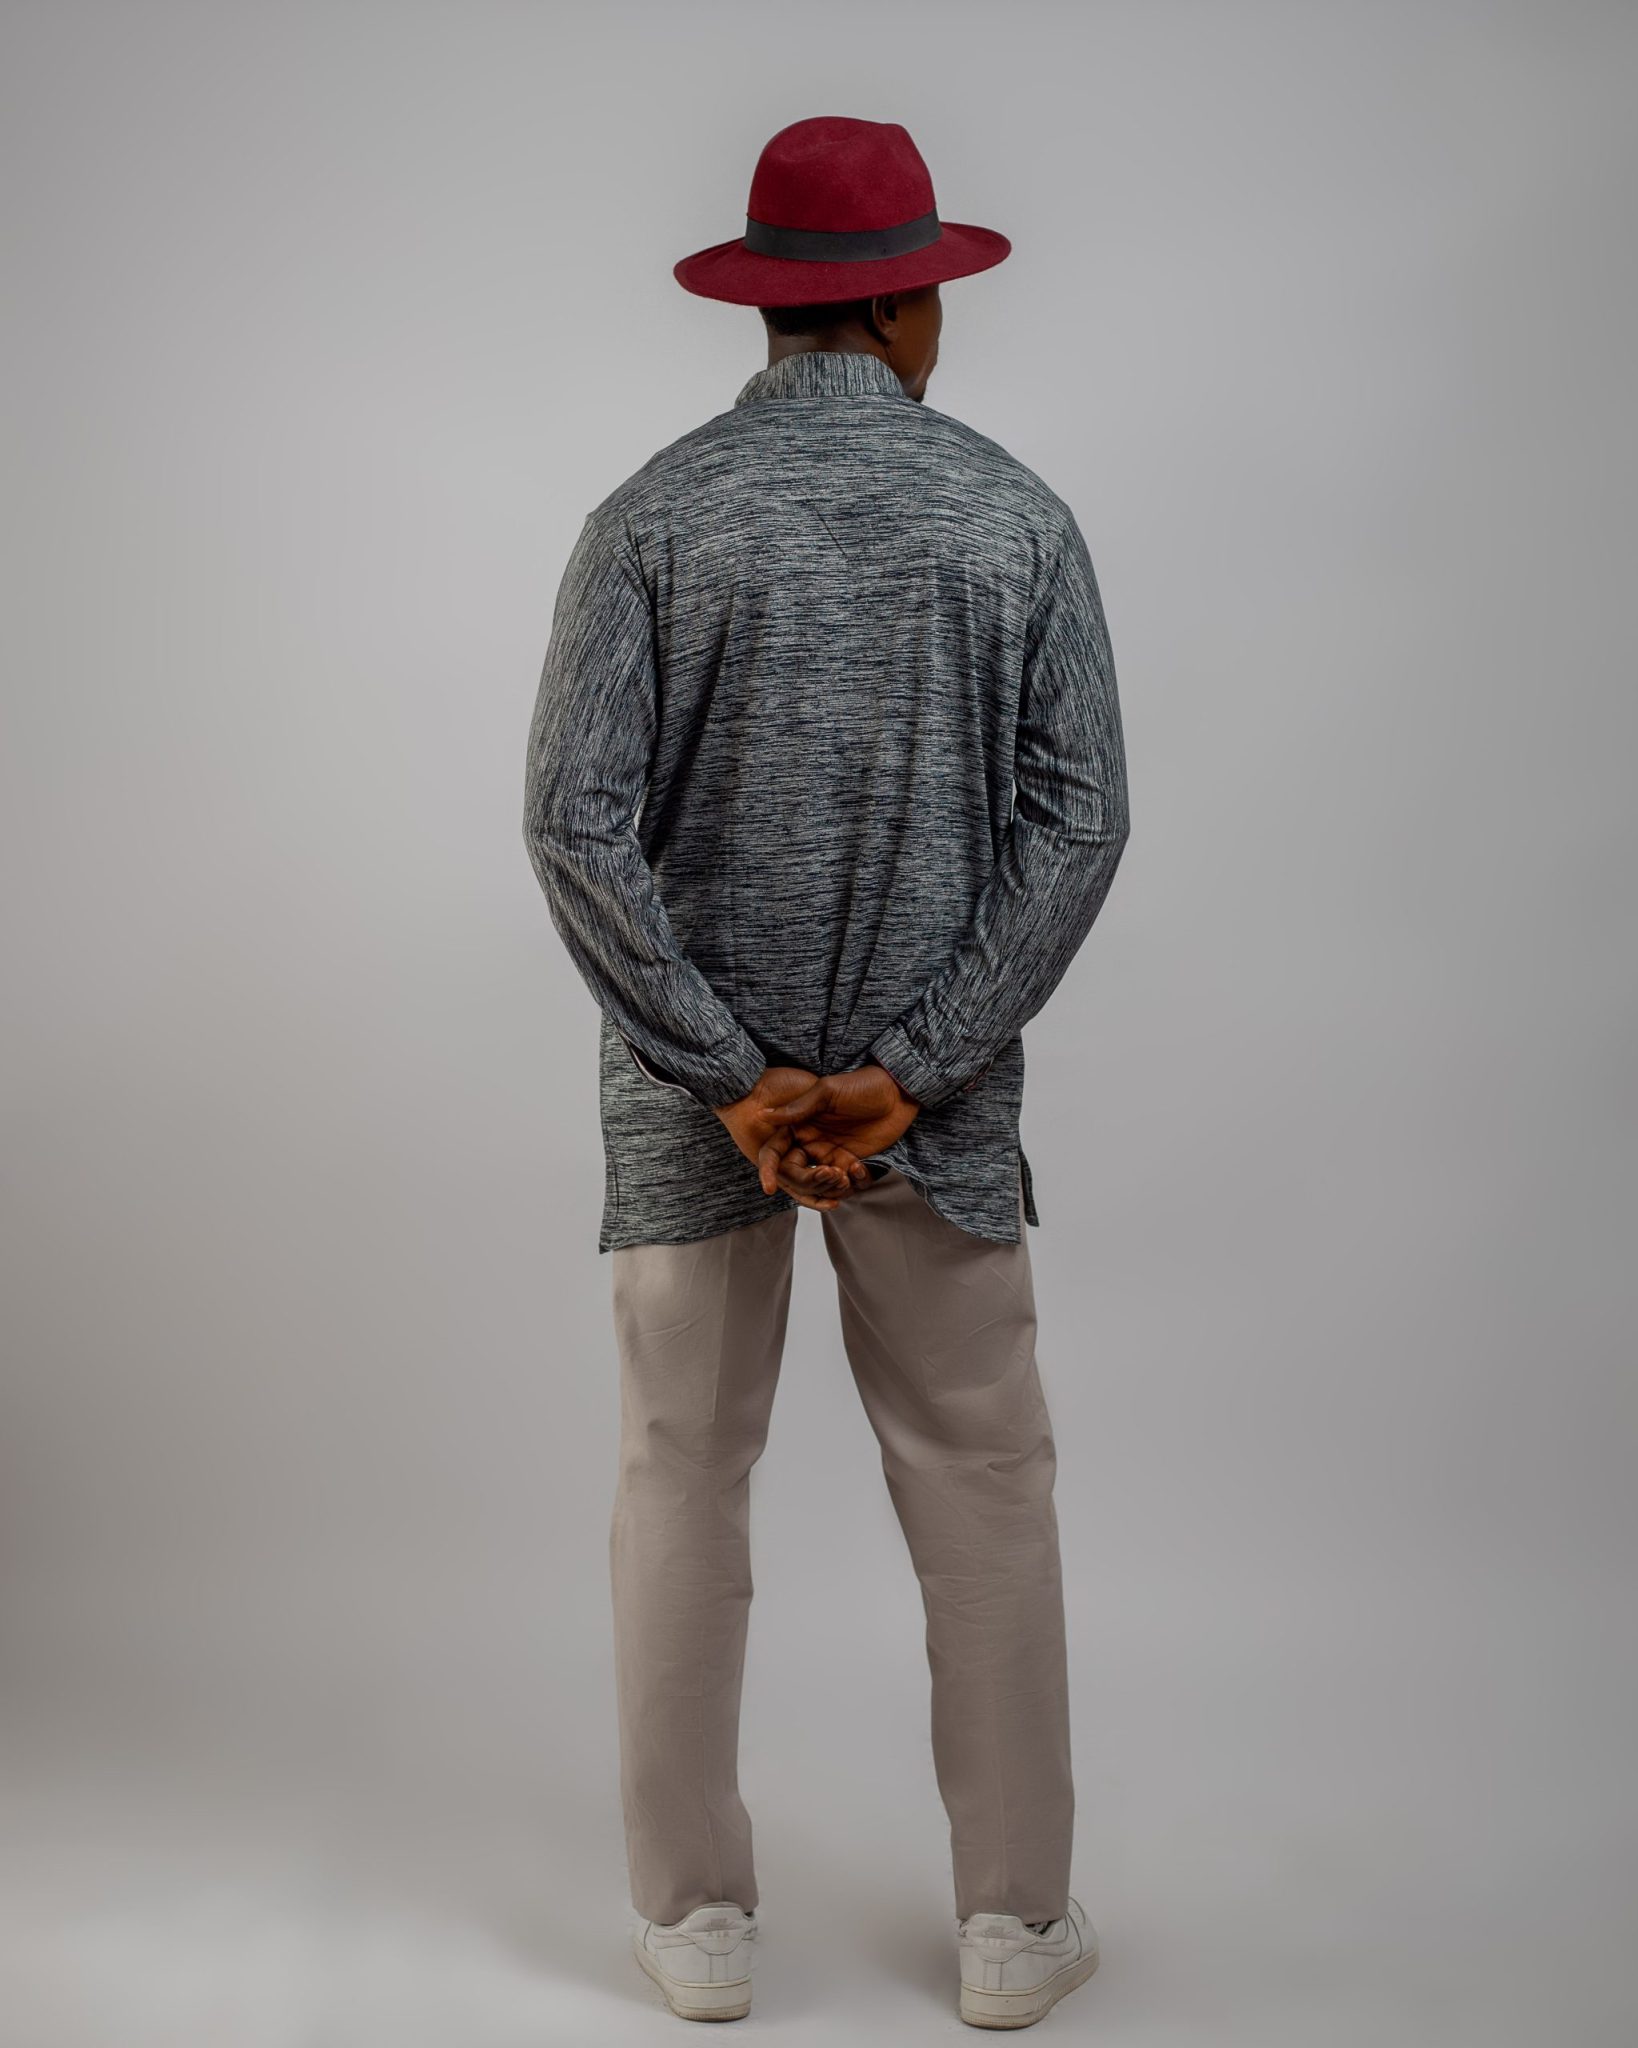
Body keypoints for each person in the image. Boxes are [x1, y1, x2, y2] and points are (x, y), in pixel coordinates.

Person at [522, 114, 1130, 2030]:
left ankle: (694, 1922)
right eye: (933, 292)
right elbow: (1082, 823)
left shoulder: (648, 520)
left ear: (773, 305)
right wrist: (911, 1072)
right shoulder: (1015, 519)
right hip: (927, 1113)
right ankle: (1014, 1927)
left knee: (679, 1476)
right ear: (900, 303)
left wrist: (724, 1077)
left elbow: (570, 823)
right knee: (982, 1479)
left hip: (690, 1100)